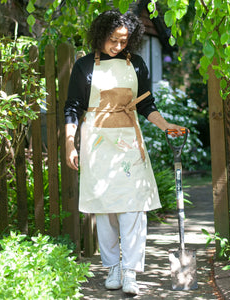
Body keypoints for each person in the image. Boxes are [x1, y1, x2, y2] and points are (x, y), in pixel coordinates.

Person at [64, 9, 187, 295]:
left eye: (123, 41)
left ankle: (131, 271)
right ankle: (113, 268)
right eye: (112, 40)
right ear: (100, 35)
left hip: (129, 144)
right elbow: (73, 107)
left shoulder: (137, 65)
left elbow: (146, 105)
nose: (118, 46)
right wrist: (70, 143)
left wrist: (166, 126)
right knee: (105, 209)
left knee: (134, 209)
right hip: (96, 143)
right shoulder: (84, 66)